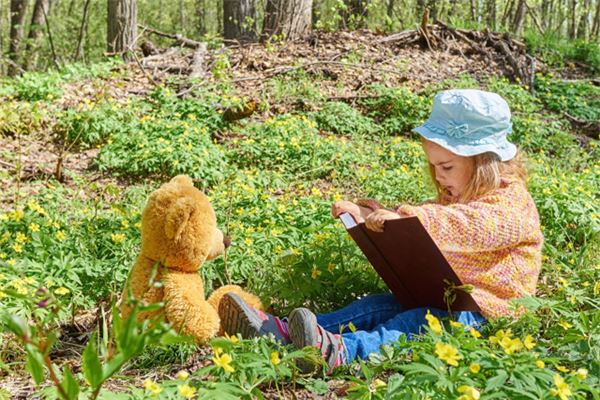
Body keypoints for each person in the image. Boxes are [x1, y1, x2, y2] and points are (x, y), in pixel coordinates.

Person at [218, 89, 544, 371]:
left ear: (483, 161)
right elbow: (420, 231)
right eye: (433, 166)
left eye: (446, 167)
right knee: (375, 305)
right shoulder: (456, 195)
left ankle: (341, 353)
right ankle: (282, 333)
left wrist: (402, 218)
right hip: (444, 300)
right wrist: (370, 216)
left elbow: (465, 228)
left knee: (412, 325)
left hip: (488, 317)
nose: (439, 176)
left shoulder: (512, 204)